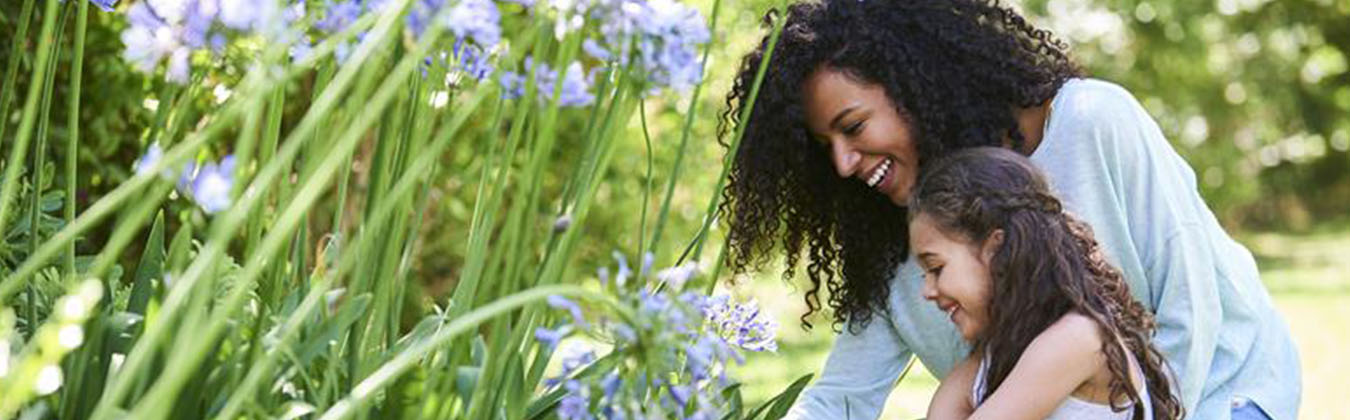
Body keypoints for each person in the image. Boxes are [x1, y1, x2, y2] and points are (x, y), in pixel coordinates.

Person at [716, 0, 1301, 418]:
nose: (843, 163)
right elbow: (841, 399)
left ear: (914, 84)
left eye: (854, 126)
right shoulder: (895, 237)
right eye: (826, 148)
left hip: (1226, 391)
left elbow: (1190, 308)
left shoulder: (1091, 122)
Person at [907, 147, 1181, 420]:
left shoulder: (1079, 338)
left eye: (936, 268)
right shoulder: (985, 363)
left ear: (995, 250)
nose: (927, 291)